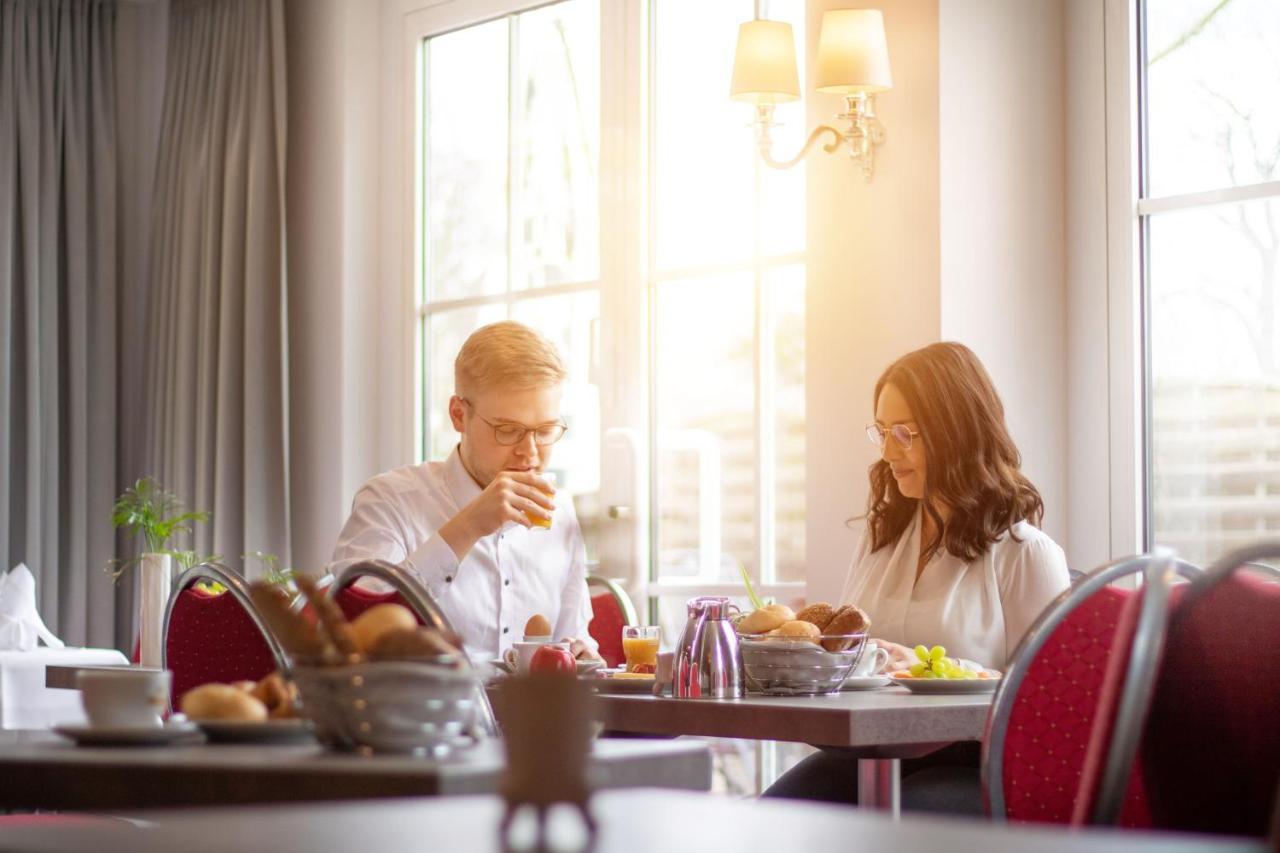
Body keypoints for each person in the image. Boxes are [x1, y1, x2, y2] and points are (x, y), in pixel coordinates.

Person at [765, 342, 1070, 810]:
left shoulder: (1026, 554)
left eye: (906, 433)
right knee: (768, 823)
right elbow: (852, 655)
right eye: (883, 431)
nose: (888, 451)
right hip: (874, 755)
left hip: (979, 767)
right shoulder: (882, 538)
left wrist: (933, 667)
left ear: (959, 434)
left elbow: (1049, 711)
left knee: (881, 835)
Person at [329, 321, 600, 665]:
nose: (530, 453)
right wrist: (468, 526)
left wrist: (581, 651)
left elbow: (573, 636)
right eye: (508, 430)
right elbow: (354, 627)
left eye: (545, 430)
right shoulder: (389, 500)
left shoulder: (560, 512)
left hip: (532, 718)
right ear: (459, 414)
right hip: (424, 715)